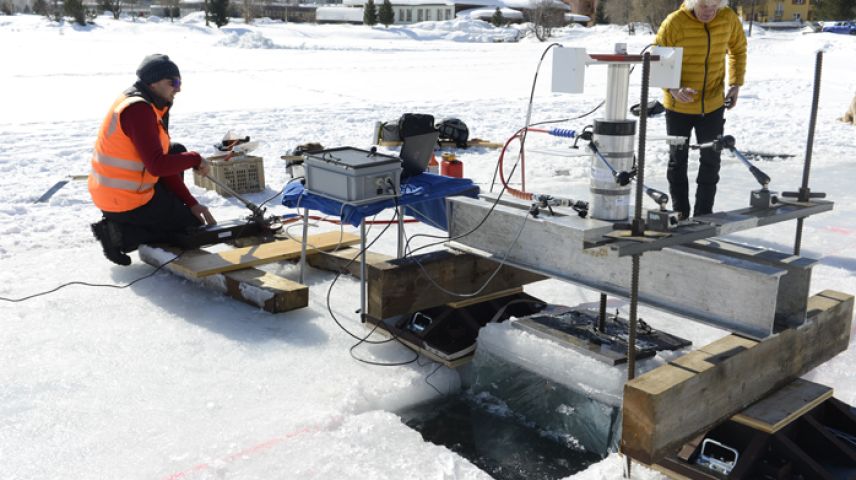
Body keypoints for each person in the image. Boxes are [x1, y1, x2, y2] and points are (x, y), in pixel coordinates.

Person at [88, 54, 216, 266]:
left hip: (122, 192)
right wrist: (195, 159)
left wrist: (190, 203)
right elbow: (157, 166)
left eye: (179, 83)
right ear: (153, 82)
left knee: (176, 151)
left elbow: (163, 163)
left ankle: (155, 217)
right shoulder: (138, 109)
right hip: (124, 200)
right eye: (173, 82)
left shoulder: (149, 103)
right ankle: (118, 233)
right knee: (191, 228)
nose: (178, 89)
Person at [655, 0, 747, 219]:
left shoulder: (728, 18)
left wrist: (735, 84)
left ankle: (704, 214)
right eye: (704, 6)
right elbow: (658, 59)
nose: (709, 12)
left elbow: (738, 49)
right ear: (693, 3)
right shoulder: (674, 23)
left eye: (714, 7)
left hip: (713, 104)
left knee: (711, 160)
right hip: (678, 106)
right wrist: (673, 88)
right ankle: (680, 213)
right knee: (678, 160)